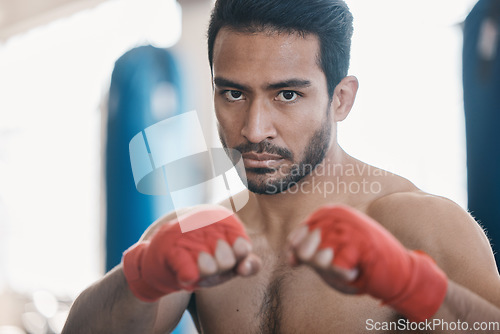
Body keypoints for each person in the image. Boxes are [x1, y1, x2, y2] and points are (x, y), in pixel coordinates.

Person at [63, 0, 500, 333]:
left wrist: (414, 286)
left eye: (286, 95)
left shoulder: (420, 224)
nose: (254, 130)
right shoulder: (203, 236)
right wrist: (142, 275)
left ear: (341, 99)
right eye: (233, 94)